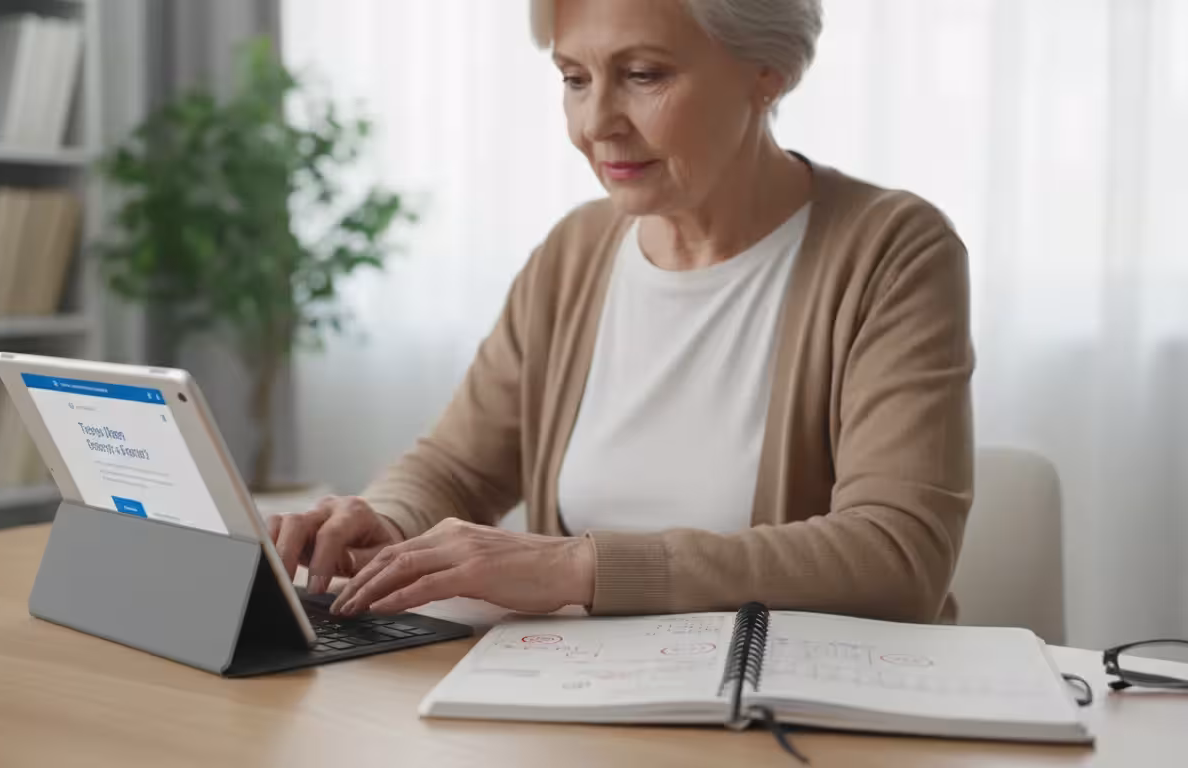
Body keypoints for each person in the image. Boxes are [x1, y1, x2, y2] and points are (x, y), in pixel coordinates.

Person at [267, 0, 974, 624]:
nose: (596, 123)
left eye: (643, 75)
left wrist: (575, 568)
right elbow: (457, 468)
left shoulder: (891, 250)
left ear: (768, 72)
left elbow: (898, 556)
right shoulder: (575, 252)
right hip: (577, 697)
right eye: (575, 79)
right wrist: (387, 521)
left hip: (781, 709)